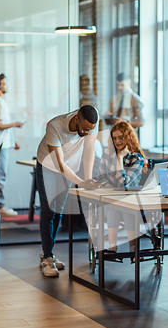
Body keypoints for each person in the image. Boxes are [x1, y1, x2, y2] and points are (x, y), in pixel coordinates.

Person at [36, 105, 101, 277]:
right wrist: (80, 182)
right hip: (49, 166)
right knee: (48, 210)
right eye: (85, 129)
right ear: (76, 119)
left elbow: (89, 150)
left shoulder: (91, 123)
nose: (88, 133)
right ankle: (47, 257)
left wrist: (87, 179)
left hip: (69, 168)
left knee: (58, 211)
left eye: (91, 130)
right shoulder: (55, 126)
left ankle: (48, 253)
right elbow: (58, 163)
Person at [98, 121, 145, 255]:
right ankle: (113, 248)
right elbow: (101, 178)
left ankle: (133, 251)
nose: (117, 141)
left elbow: (125, 185)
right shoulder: (107, 154)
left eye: (121, 138)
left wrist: (119, 159)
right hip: (111, 199)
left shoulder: (137, 158)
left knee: (124, 207)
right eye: (114, 138)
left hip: (131, 202)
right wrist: (109, 186)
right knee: (115, 206)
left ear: (128, 138)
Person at [0, 73, 23, 217]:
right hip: (0, 145)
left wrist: (12, 141)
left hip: (3, 143)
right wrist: (14, 124)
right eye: (4, 83)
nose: (6, 86)